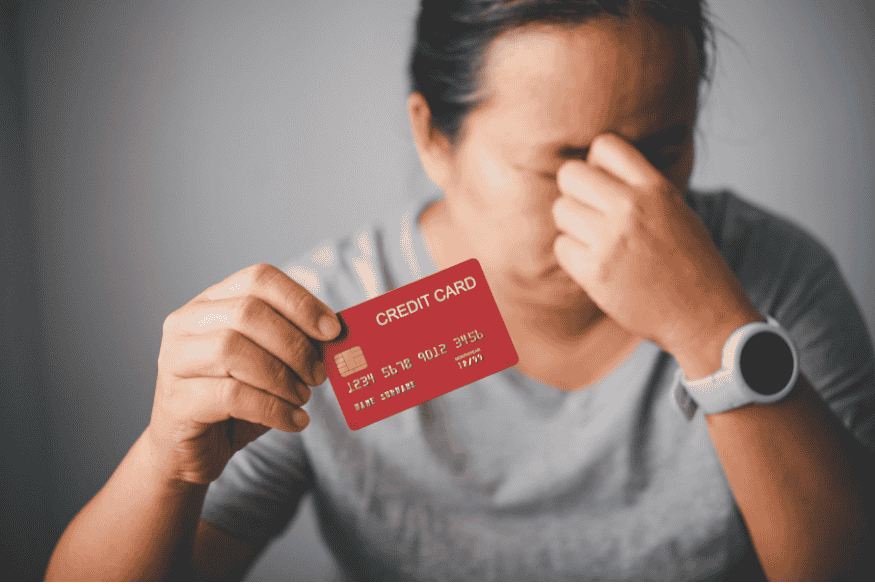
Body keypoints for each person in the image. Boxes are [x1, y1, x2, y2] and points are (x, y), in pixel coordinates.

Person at [45, 0, 875, 580]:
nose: (630, 203)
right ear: (432, 139)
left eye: (663, 148)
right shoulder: (330, 316)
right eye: (563, 159)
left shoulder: (773, 281)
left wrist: (716, 334)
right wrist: (165, 462)